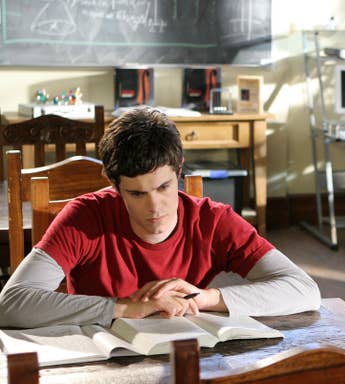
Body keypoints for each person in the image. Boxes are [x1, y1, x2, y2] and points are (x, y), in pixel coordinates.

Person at [0, 107, 321, 328]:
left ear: (179, 169)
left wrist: (205, 297)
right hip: (102, 355)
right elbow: (11, 302)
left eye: (164, 187)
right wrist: (126, 308)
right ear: (113, 184)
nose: (155, 208)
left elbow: (304, 290)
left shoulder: (213, 220)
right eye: (137, 194)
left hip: (183, 351)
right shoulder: (84, 216)